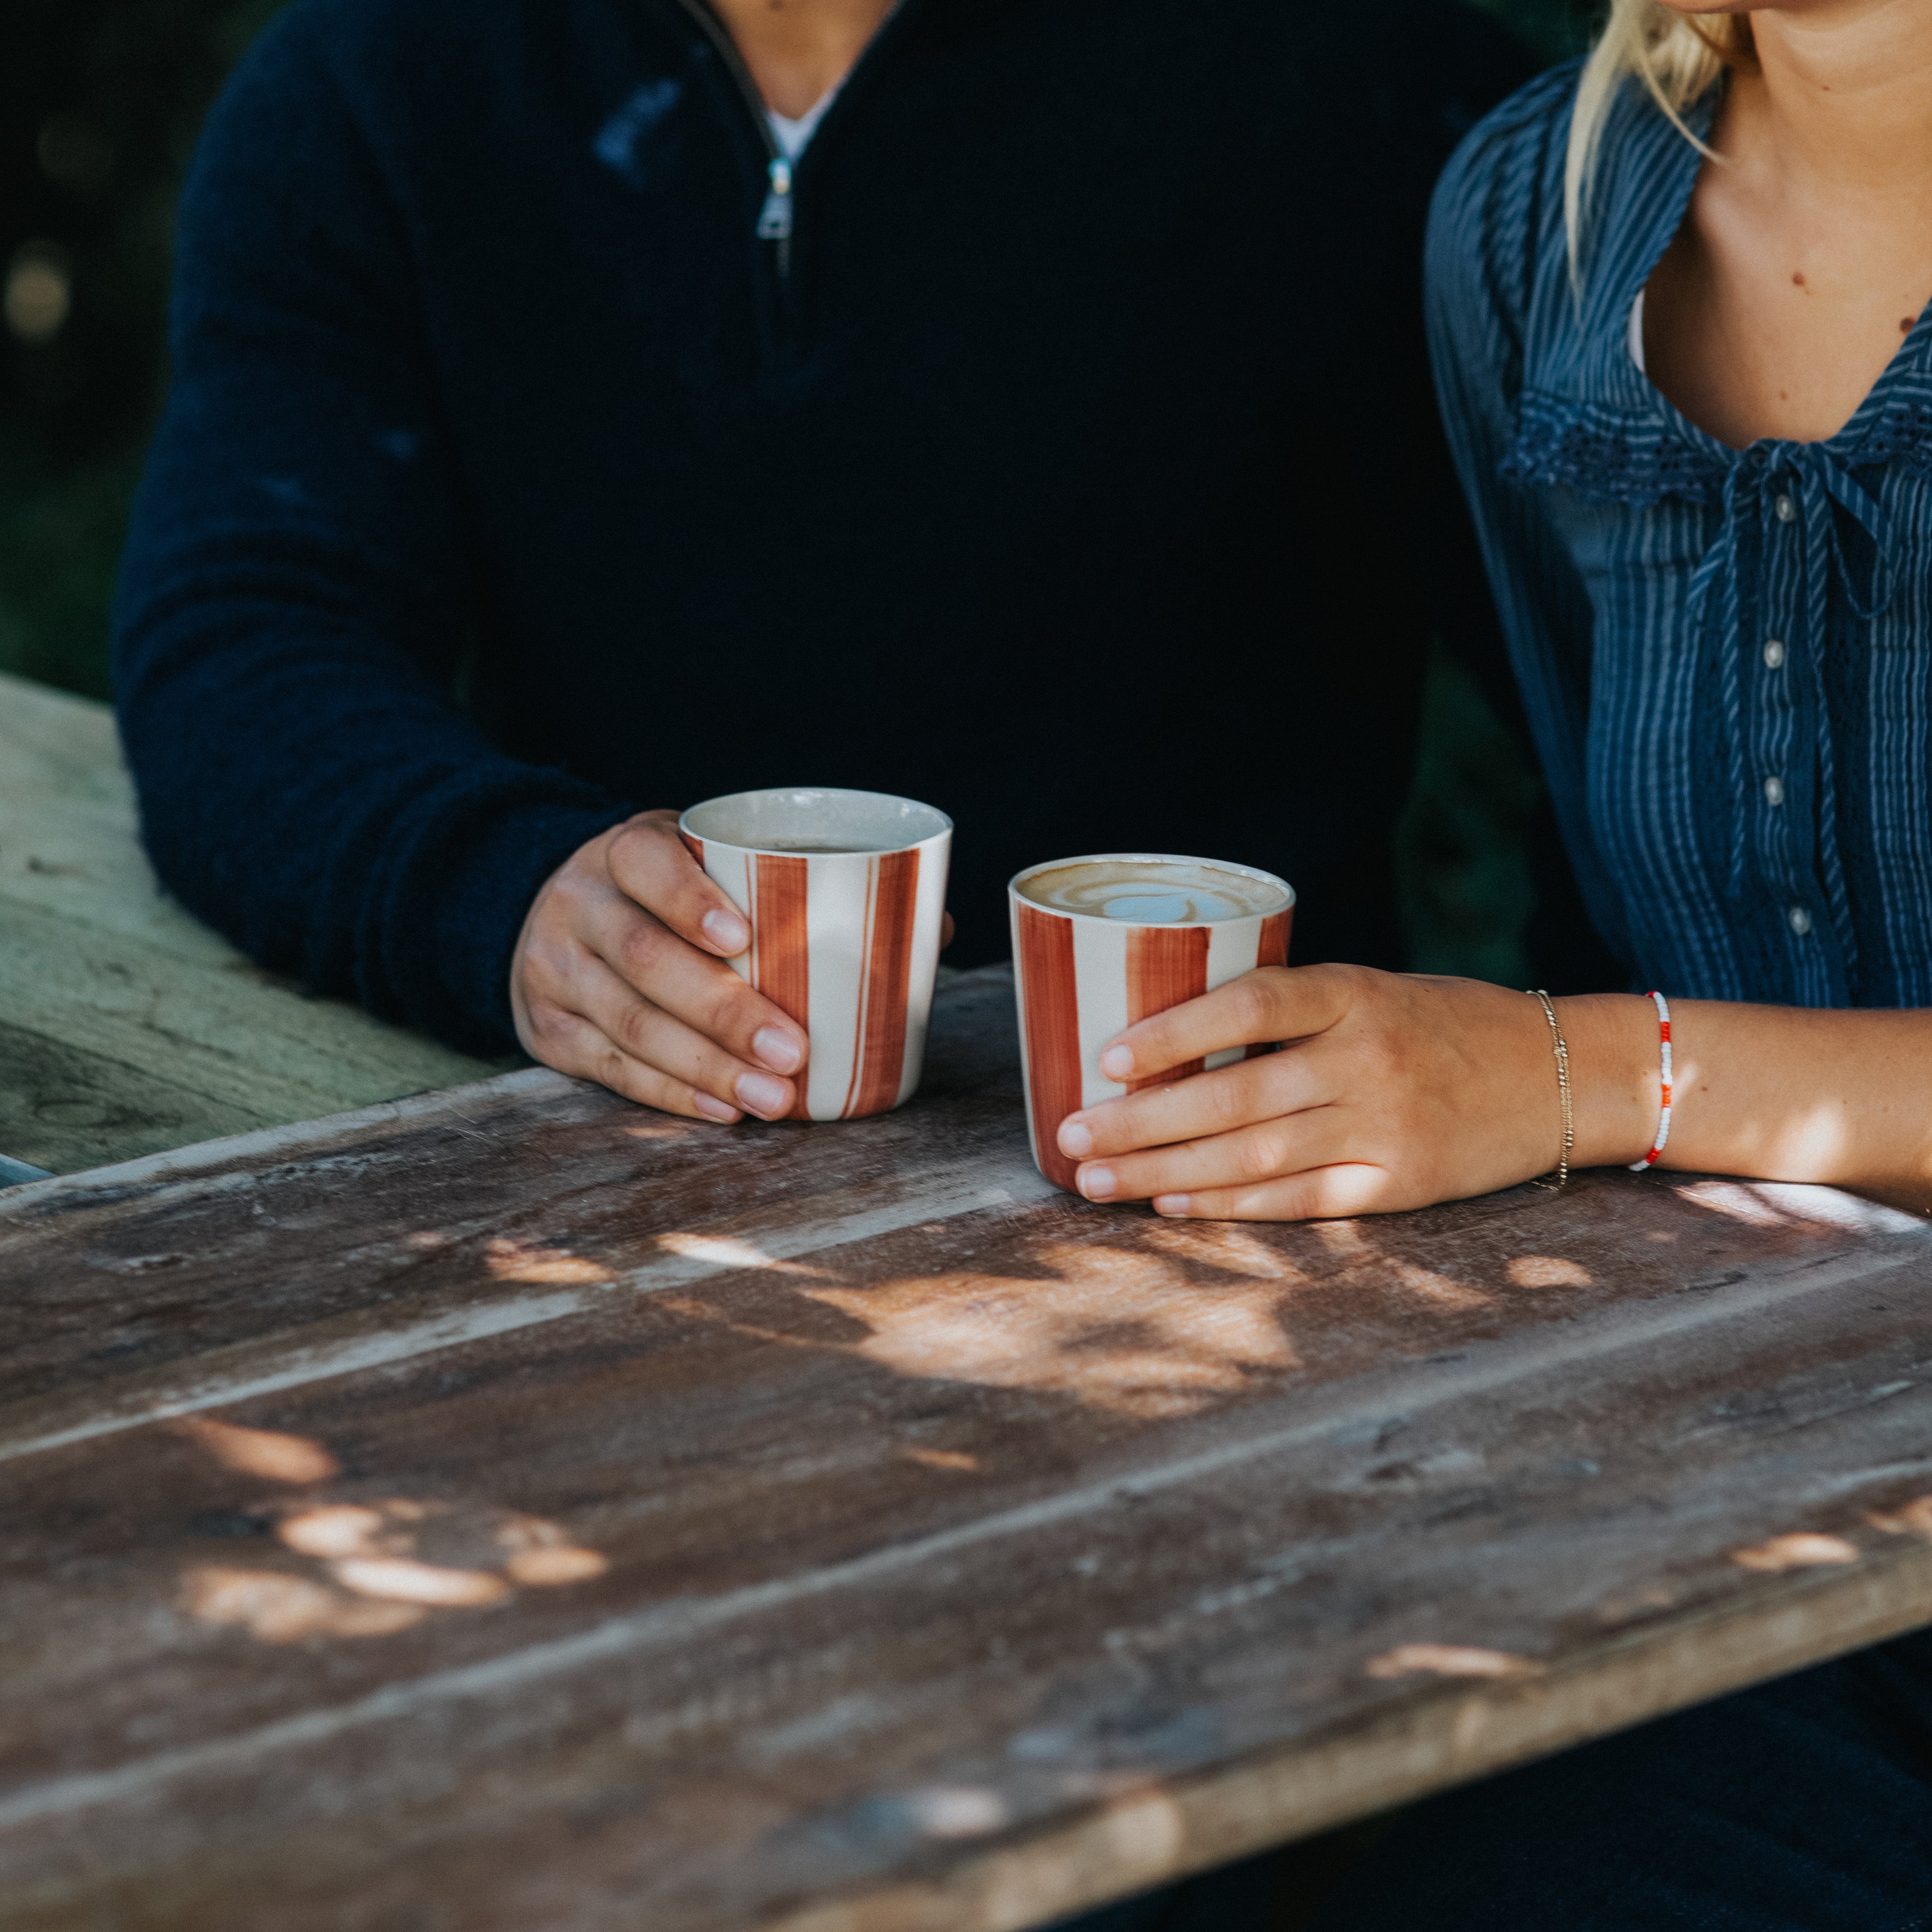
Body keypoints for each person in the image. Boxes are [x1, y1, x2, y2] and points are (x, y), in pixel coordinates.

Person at [1061, 3, 1932, 1925]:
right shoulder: (1530, 226)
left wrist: (1573, 1075)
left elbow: (1591, 1022)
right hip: (1760, 1562)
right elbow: (1598, 896)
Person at [112, 0, 1535, 1136]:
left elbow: (1652, 737)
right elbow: (245, 629)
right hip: (617, 1171)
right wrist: (504, 889)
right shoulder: (378, 79)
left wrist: (1560, 1088)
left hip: (1249, 1182)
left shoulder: (1375, 86)